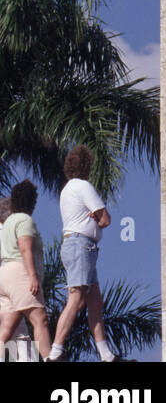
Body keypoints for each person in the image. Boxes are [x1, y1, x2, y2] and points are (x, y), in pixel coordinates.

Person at [49, 145, 115, 363]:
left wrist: (92, 217)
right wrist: (96, 218)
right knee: (76, 297)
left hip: (77, 246)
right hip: (81, 246)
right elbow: (105, 219)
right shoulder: (83, 186)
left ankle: (106, 355)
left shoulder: (67, 189)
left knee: (95, 302)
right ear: (87, 167)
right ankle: (55, 352)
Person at [0, 180, 51, 360]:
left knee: (6, 330)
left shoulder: (7, 224)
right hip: (19, 274)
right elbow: (24, 248)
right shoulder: (23, 220)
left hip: (5, 277)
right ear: (32, 202)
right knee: (40, 319)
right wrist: (32, 276)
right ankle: (49, 358)